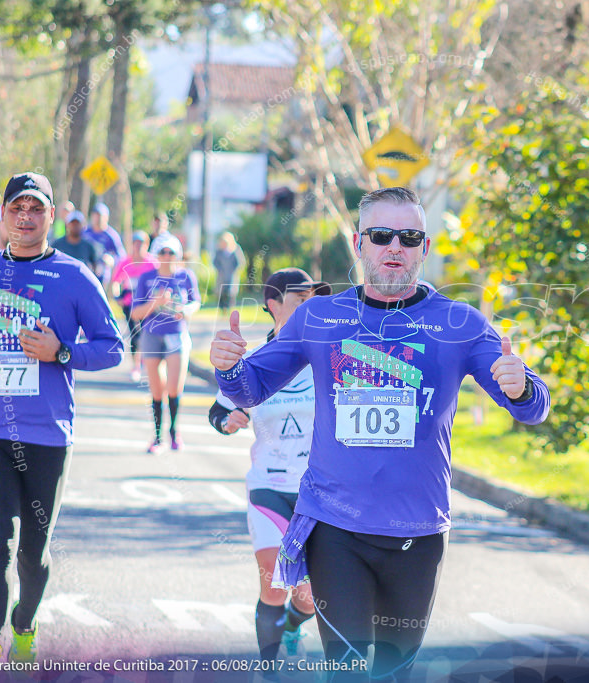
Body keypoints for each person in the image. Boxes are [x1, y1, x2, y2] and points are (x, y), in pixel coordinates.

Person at [211, 187, 550, 680]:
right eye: (382, 235)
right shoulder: (320, 316)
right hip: (335, 530)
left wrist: (521, 388)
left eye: (409, 237)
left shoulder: (457, 323)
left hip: (418, 534)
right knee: (346, 672)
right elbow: (251, 385)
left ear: (424, 248)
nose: (395, 246)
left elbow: (532, 408)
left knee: (394, 674)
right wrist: (228, 367)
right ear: (359, 244)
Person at [0, 172, 123, 663]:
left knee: (33, 554)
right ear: (2, 216)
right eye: (16, 208)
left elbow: (113, 348)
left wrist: (62, 353)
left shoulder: (73, 275)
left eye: (36, 209)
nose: (25, 217)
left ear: (50, 216)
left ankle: (24, 622)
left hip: (47, 433)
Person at [209, 267, 329, 664]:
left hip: (319, 494)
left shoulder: (330, 360)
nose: (310, 308)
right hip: (269, 487)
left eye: (315, 300)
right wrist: (226, 421)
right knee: (274, 583)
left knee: (309, 597)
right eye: (300, 300)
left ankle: (293, 625)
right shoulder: (257, 362)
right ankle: (268, 666)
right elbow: (218, 410)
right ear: (273, 305)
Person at [131, 234, 199, 453]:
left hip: (176, 334)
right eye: (163, 252)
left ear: (178, 254)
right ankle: (158, 435)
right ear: (157, 255)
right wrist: (156, 302)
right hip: (152, 335)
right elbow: (135, 314)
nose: (167, 256)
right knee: (156, 388)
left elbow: (195, 301)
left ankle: (174, 432)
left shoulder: (186, 276)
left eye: (171, 252)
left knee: (174, 387)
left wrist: (185, 310)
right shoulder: (146, 278)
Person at [112, 231, 158, 382]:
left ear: (147, 245)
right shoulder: (125, 262)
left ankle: (146, 360)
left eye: (141, 244)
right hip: (129, 304)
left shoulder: (152, 263)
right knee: (134, 334)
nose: (138, 247)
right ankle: (136, 365)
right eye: (135, 243)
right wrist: (117, 296)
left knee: (146, 332)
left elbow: (160, 280)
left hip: (147, 305)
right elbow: (116, 282)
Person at [83, 202, 125, 287]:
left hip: (102, 275)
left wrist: (111, 260)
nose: (97, 219)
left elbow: (122, 256)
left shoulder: (111, 235)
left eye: (100, 216)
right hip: (86, 272)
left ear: (106, 218)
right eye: (95, 215)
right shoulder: (85, 233)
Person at [52, 210, 102, 275]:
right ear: (67, 225)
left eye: (78, 224)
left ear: (83, 225)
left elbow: (96, 266)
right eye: (72, 223)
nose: (75, 226)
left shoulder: (88, 246)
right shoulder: (57, 244)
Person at [213, 232, 245, 310]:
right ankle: (222, 310)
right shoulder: (219, 251)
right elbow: (215, 262)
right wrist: (220, 270)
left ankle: (230, 309)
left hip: (231, 276)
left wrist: (234, 271)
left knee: (230, 294)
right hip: (222, 276)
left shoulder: (235, 250)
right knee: (221, 293)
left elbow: (240, 262)